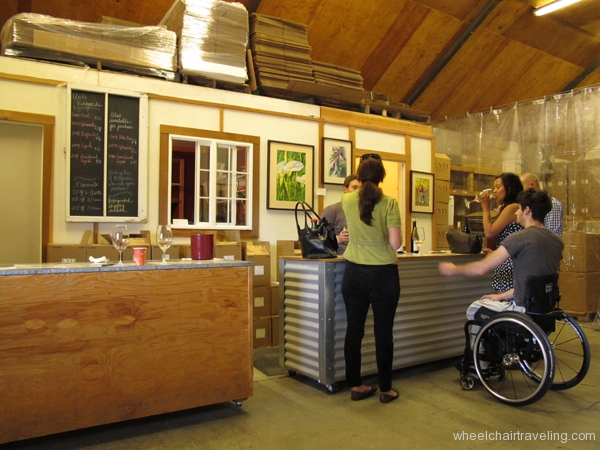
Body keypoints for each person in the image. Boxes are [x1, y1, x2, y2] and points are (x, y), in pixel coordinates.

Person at [439, 189, 564, 361]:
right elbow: (536, 284)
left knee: (475, 308)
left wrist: (454, 269)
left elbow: (481, 268)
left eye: (519, 208)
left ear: (527, 210)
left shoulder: (519, 238)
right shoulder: (556, 241)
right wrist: (502, 296)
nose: (517, 212)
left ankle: (480, 362)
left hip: (522, 310)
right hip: (544, 310)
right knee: (493, 302)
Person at [341, 154, 402, 404]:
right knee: (383, 333)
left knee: (353, 331)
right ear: (382, 177)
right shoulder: (389, 203)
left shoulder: (347, 200)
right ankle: (386, 389)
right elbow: (396, 244)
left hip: (353, 273)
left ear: (358, 176)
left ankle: (356, 386)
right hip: (383, 274)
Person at [479, 173, 524, 293]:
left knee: (506, 302)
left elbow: (489, 232)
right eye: (494, 187)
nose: (494, 191)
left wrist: (486, 209)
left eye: (498, 187)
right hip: (507, 261)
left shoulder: (512, 207)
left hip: (510, 265)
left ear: (509, 188)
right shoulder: (509, 207)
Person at [321, 174, 361, 254]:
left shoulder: (365, 211)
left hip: (360, 256)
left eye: (361, 188)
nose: (358, 192)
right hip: (339, 257)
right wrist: (338, 238)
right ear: (345, 189)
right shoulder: (332, 210)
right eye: (354, 187)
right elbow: (318, 237)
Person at [520, 172, 563, 236]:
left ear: (531, 185)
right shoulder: (527, 205)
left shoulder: (553, 204)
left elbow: (552, 235)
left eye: (521, 188)